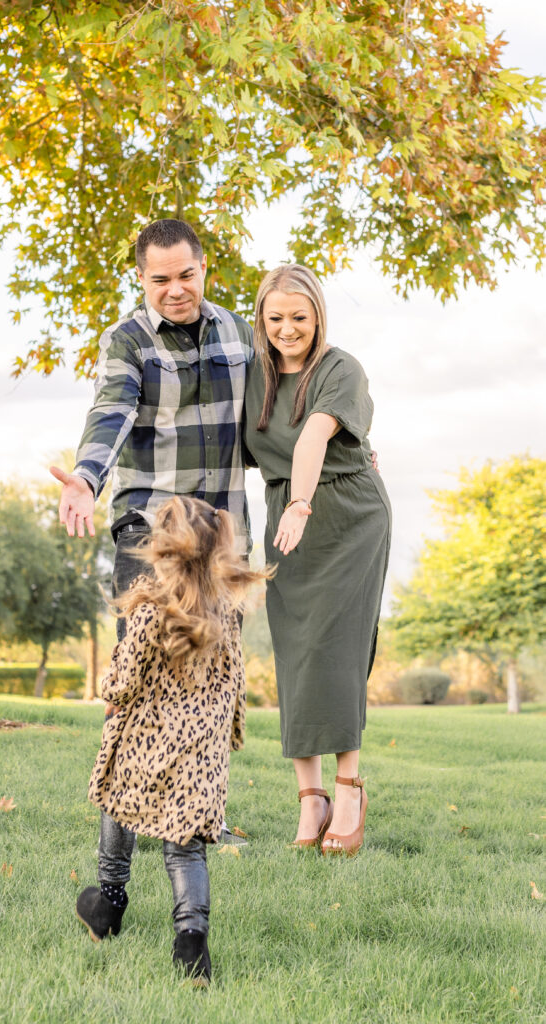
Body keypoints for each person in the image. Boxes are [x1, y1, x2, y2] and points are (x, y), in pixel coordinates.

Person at [50, 218, 254, 844]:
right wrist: (86, 478)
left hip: (218, 541)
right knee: (139, 679)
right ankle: (123, 828)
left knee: (210, 685)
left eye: (186, 275)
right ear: (142, 278)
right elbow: (110, 409)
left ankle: (200, 819)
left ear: (203, 267)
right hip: (149, 532)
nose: (175, 289)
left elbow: (285, 409)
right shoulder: (128, 340)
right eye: (160, 279)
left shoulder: (240, 333)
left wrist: (349, 444)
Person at [75, 497, 270, 985]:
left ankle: (108, 904)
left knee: (120, 809)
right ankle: (191, 946)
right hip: (200, 755)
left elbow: (122, 681)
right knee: (185, 849)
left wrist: (111, 695)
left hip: (144, 740)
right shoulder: (224, 615)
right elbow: (235, 681)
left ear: (164, 553)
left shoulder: (149, 612)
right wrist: (230, 733)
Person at [243, 264, 391, 856]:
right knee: (297, 652)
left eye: (298, 317)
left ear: (318, 315)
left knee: (337, 650)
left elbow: (312, 438)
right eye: (275, 317)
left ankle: (350, 789)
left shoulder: (340, 369)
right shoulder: (252, 376)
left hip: (346, 516)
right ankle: (311, 799)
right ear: (261, 318)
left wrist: (301, 503)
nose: (287, 329)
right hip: (288, 519)